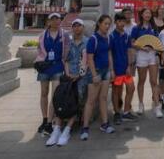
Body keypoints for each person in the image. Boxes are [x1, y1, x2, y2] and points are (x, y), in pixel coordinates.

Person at [46, 18, 87, 147]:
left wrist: (78, 75)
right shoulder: (68, 42)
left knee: (75, 99)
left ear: (83, 27)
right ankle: (57, 129)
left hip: (82, 77)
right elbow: (66, 60)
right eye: (74, 25)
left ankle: (67, 130)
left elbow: (86, 61)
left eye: (79, 25)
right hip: (68, 76)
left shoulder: (87, 42)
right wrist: (68, 74)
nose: (77, 28)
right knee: (61, 98)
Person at [81, 15, 115, 140]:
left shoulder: (108, 38)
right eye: (105, 23)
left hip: (106, 71)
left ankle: (104, 124)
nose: (107, 26)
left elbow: (109, 54)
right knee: (91, 100)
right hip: (95, 72)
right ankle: (85, 127)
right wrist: (94, 75)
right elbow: (90, 59)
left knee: (103, 98)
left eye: (109, 24)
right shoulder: (93, 39)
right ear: (99, 24)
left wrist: (112, 70)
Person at [36, 12, 70, 135]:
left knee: (55, 95)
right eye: (53, 19)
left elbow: (67, 51)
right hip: (45, 67)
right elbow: (39, 50)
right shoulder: (43, 35)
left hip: (57, 67)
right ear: (49, 21)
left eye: (58, 19)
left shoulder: (64, 35)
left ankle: (50, 121)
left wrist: (65, 66)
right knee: (44, 93)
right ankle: (44, 119)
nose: (56, 21)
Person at [131, 8, 162, 118]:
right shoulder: (136, 28)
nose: (148, 15)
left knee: (154, 81)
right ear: (142, 15)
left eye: (149, 13)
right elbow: (132, 42)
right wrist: (142, 48)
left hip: (152, 55)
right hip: (141, 55)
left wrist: (156, 51)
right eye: (146, 13)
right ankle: (141, 104)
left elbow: (158, 43)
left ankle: (157, 106)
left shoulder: (154, 27)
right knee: (141, 80)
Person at [110, 13, 137, 125]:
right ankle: (117, 113)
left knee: (131, 88)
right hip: (116, 69)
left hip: (126, 69)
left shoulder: (126, 36)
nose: (121, 23)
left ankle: (126, 111)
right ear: (115, 22)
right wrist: (112, 70)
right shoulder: (111, 36)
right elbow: (110, 54)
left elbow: (129, 51)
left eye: (123, 21)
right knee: (116, 91)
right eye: (119, 21)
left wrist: (129, 66)